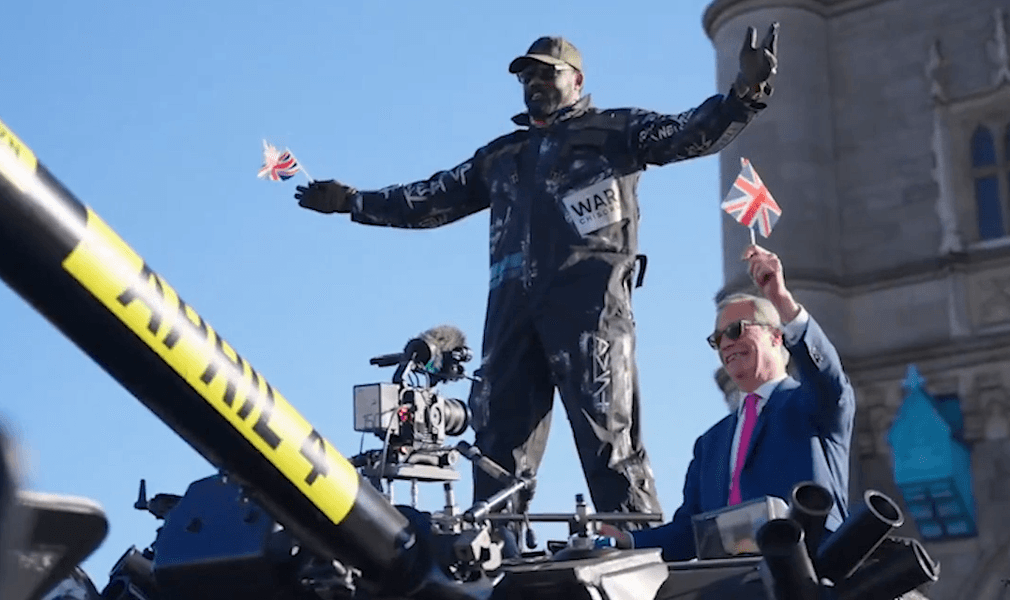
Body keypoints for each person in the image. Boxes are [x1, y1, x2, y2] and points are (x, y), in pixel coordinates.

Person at [293, 26, 781, 522]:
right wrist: (353, 202)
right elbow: (432, 196)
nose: (535, 83)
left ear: (577, 79)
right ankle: (493, 565)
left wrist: (744, 94)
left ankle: (647, 561)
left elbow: (685, 132)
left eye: (547, 74)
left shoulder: (614, 132)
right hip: (511, 321)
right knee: (496, 456)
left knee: (610, 447)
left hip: (591, 315)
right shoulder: (503, 157)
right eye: (527, 76)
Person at [604, 244, 855, 560]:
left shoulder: (812, 406)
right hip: (733, 583)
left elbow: (828, 377)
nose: (726, 344)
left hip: (807, 576)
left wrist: (781, 300)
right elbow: (688, 533)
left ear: (776, 337)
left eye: (736, 330)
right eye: (717, 339)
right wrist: (625, 541)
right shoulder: (709, 444)